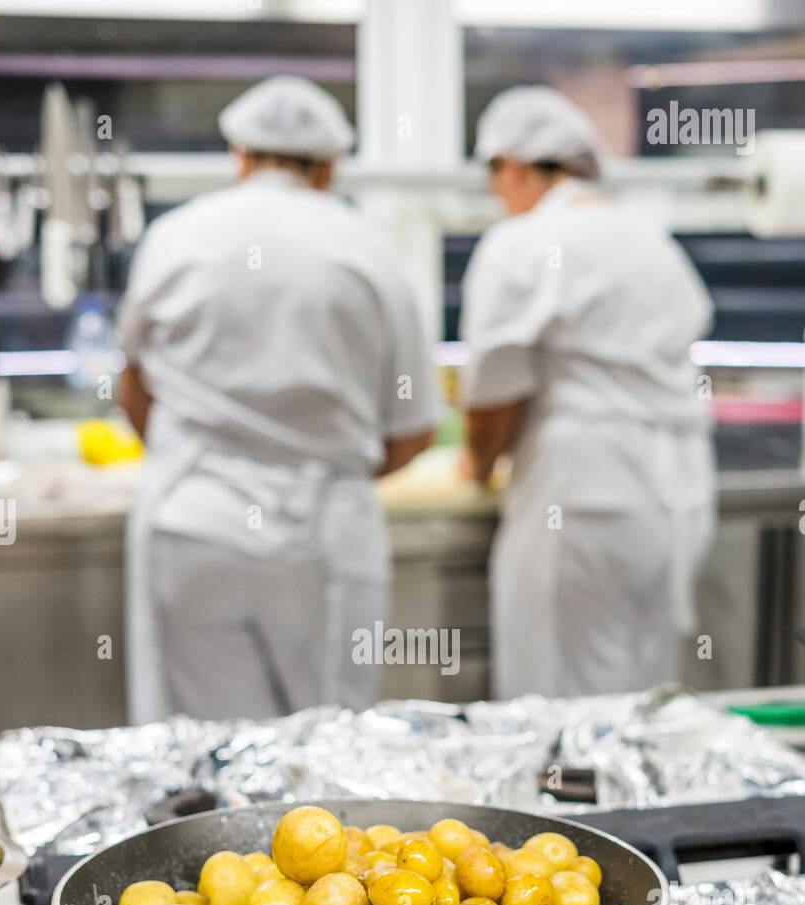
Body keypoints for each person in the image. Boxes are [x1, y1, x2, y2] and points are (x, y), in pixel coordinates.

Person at [118, 76, 437, 723]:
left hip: (193, 522)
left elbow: (134, 385)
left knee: (203, 749)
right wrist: (328, 462)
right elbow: (414, 429)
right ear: (329, 166)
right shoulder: (370, 250)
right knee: (323, 748)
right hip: (324, 533)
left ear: (239, 153)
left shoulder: (176, 236)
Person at [460, 85, 716, 699]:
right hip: (674, 495)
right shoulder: (651, 241)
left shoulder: (521, 245)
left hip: (581, 494)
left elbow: (495, 391)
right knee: (641, 694)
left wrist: (480, 463)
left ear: (514, 165)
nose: (496, 193)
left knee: (555, 700)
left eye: (492, 174)